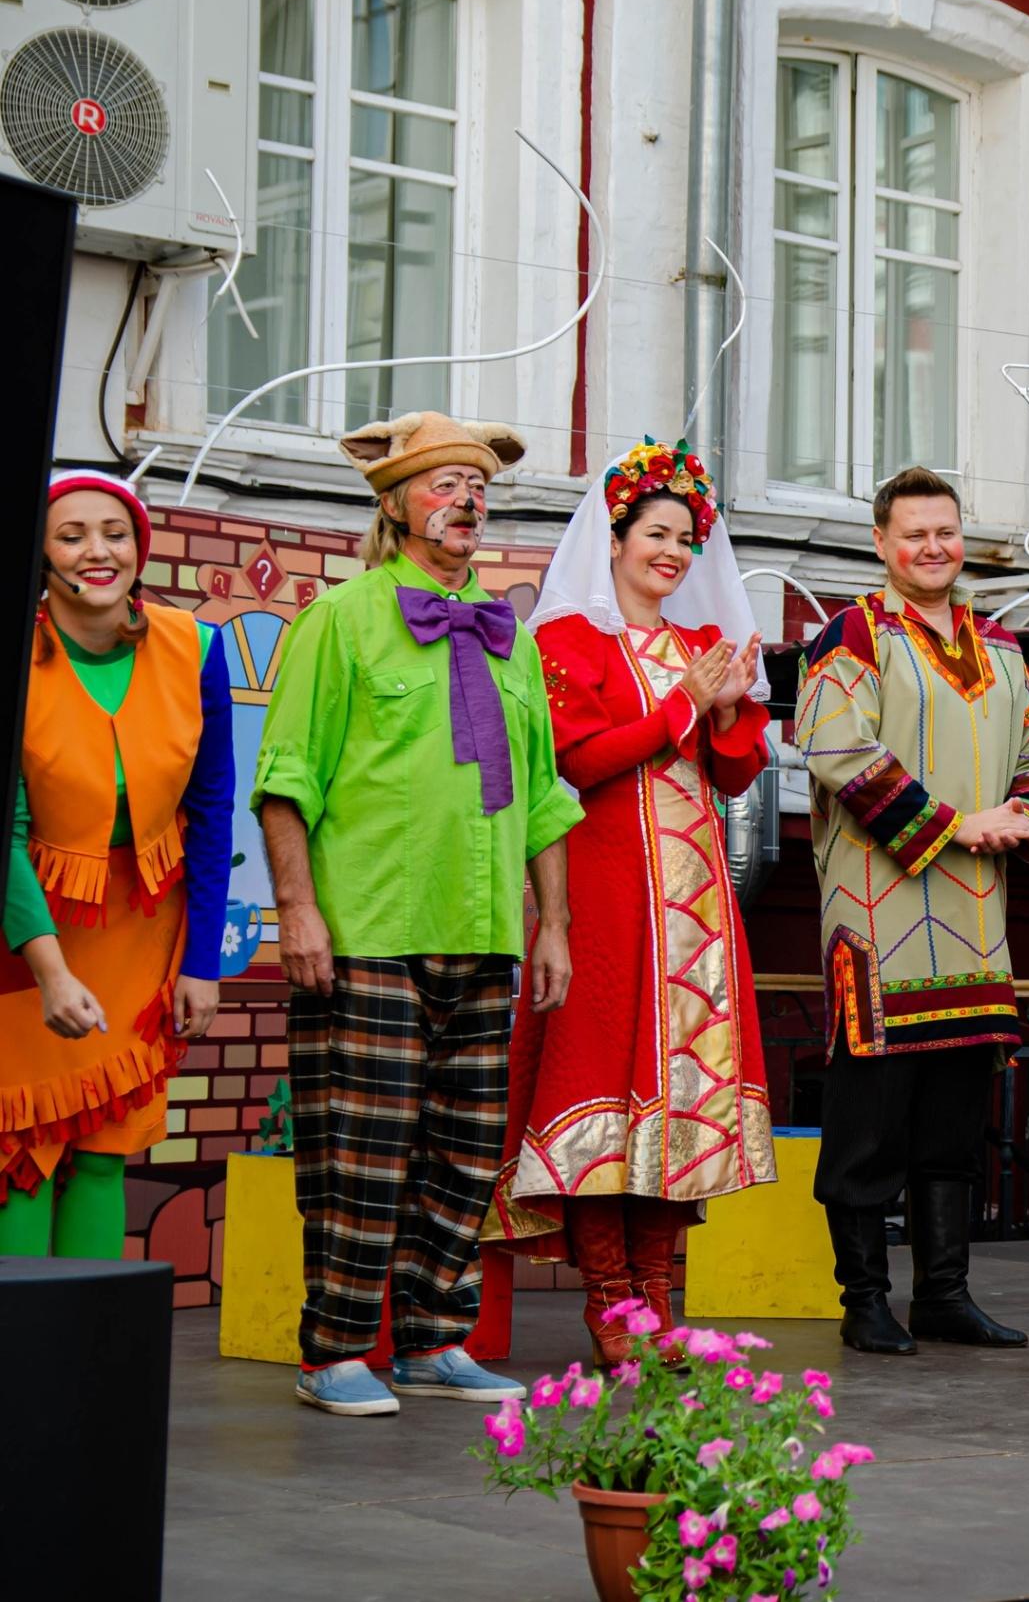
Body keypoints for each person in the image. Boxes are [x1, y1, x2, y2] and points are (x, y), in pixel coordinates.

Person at [255, 412, 584, 1416]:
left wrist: (554, 924)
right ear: (395, 505)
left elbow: (543, 795)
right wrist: (298, 910)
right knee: (358, 1152)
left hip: (481, 933)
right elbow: (286, 777)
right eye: (444, 483)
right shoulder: (340, 619)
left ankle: (434, 1340)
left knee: (464, 1153)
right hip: (370, 929)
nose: (466, 500)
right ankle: (333, 1353)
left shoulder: (510, 637)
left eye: (477, 486)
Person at [484, 437, 777, 1364]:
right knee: (599, 1088)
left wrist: (725, 707)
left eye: (687, 539)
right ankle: (610, 1299)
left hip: (695, 908)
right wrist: (683, 705)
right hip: (607, 899)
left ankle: (656, 1295)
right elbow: (576, 763)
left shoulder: (697, 644)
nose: (674, 553)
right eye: (656, 534)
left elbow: (735, 772)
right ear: (613, 540)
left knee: (684, 1093)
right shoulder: (568, 640)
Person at [796, 466, 1029, 1355]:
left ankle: (944, 1293)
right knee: (868, 1125)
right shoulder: (852, 635)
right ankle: (864, 1300)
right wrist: (958, 824)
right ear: (881, 543)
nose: (933, 547)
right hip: (878, 920)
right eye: (914, 533)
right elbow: (837, 749)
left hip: (977, 926)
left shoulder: (1004, 646)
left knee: (953, 1123)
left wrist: (1025, 816)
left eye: (945, 531)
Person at [1, 472, 233, 1258]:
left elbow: (212, 812)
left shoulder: (196, 648)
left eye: (115, 532)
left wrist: (201, 965)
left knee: (104, 1152)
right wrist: (51, 974)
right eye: (71, 536)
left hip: (142, 924)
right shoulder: (18, 653)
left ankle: (87, 1336)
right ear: (41, 555)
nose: (97, 551)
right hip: (27, 923)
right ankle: (19, 1336)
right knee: (23, 1152)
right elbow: (6, 835)